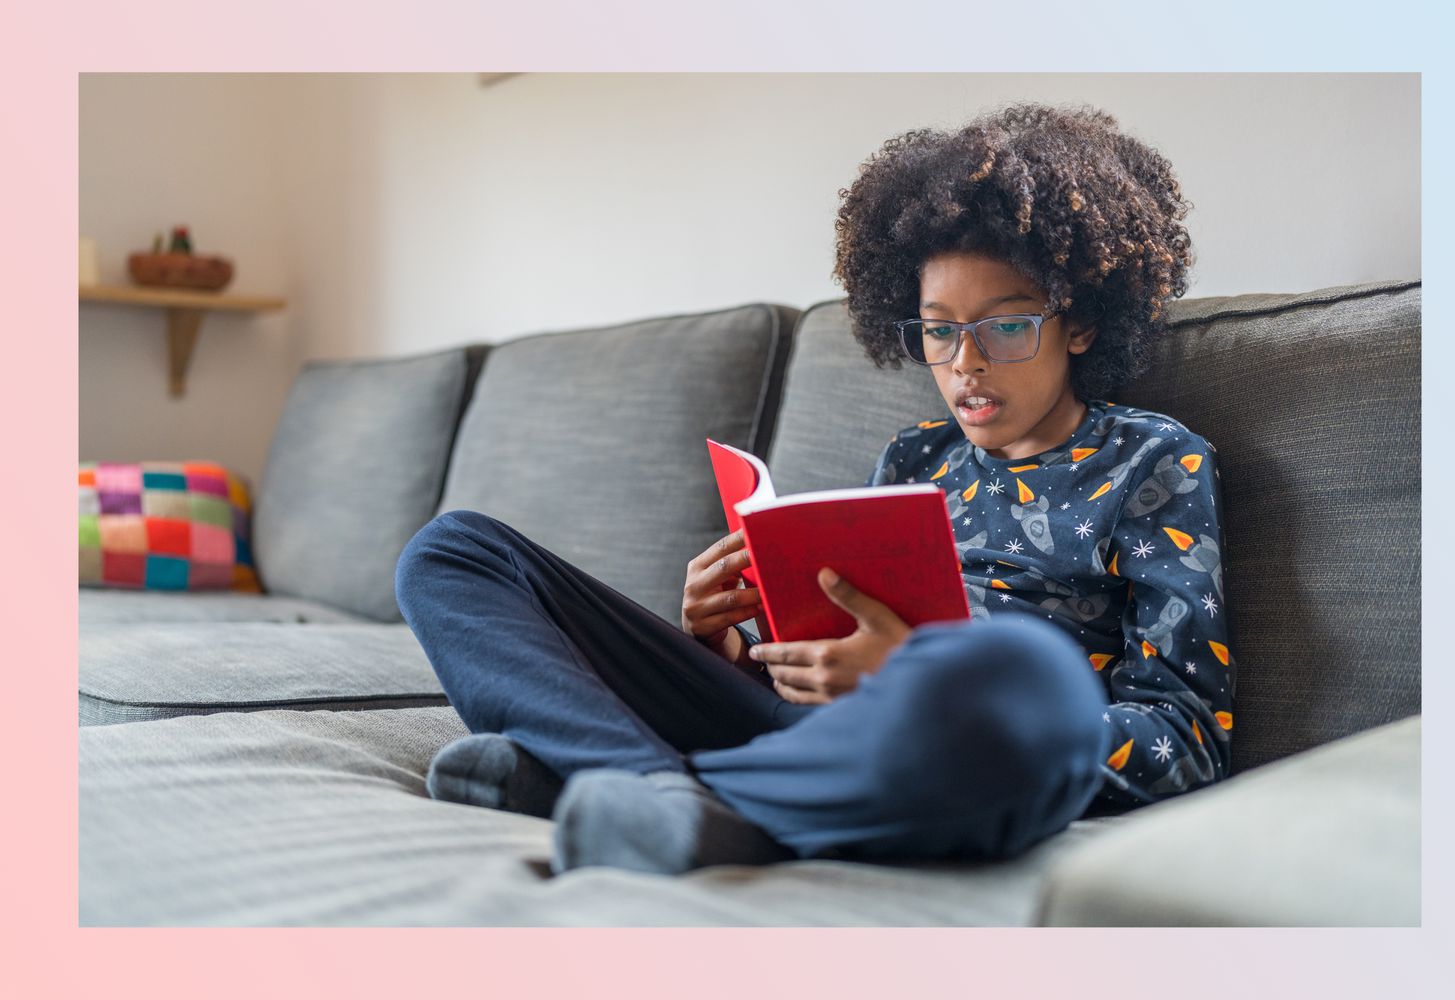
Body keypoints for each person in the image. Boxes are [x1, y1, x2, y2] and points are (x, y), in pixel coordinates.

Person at [393, 101, 1234, 876]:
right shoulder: (913, 458)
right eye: (939, 333)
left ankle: (633, 784)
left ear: (1080, 321)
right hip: (808, 734)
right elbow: (809, 668)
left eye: (1006, 326)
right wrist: (725, 641)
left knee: (1030, 672)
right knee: (455, 550)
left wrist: (915, 675)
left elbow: (1188, 737)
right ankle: (660, 791)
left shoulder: (1154, 461)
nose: (965, 365)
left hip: (972, 747)